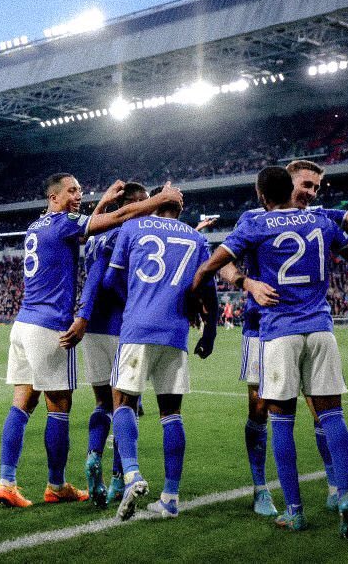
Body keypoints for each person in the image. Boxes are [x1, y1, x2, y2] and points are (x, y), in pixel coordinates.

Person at [192, 166, 348, 537]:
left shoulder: (263, 223)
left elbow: (210, 265)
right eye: (306, 184)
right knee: (326, 415)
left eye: (316, 186)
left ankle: (297, 510)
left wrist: (195, 298)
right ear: (290, 184)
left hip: (278, 331)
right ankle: (338, 494)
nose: (311, 191)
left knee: (283, 419)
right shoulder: (315, 222)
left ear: (263, 194)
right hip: (306, 329)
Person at [0, 173, 183, 509]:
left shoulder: (39, 226)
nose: (77, 195)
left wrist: (105, 200)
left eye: (80, 190)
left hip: (23, 324)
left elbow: (91, 224)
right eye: (71, 191)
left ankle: (6, 480)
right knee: (60, 408)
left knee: (22, 402)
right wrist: (159, 201)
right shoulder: (65, 222)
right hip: (50, 325)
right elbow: (120, 218)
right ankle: (56, 484)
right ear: (53, 196)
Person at [102, 186, 217, 520]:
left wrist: (139, 297)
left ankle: (133, 474)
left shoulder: (133, 226)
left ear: (154, 204)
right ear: (179, 210)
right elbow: (206, 288)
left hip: (138, 327)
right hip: (176, 331)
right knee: (171, 413)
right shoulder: (196, 240)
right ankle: (170, 497)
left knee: (123, 402)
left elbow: (112, 280)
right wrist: (209, 332)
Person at [70, 181, 148, 509]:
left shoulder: (97, 235)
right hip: (122, 328)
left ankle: (92, 457)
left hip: (94, 331)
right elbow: (109, 279)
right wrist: (134, 302)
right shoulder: (127, 233)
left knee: (102, 403)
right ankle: (118, 478)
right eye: (145, 204)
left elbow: (92, 278)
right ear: (132, 205)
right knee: (125, 406)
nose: (150, 210)